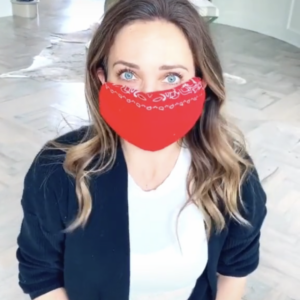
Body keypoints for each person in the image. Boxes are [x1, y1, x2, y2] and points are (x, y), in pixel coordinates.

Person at [16, 0, 267, 300]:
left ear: (202, 82)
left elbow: (235, 271)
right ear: (102, 78)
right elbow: (40, 273)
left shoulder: (233, 174)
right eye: (127, 74)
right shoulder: (55, 170)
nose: (149, 96)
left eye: (171, 77)